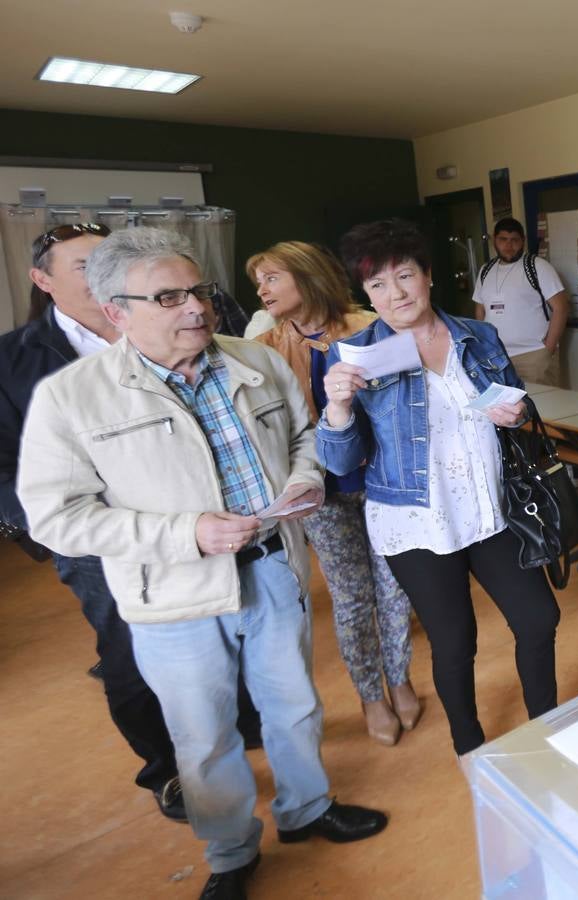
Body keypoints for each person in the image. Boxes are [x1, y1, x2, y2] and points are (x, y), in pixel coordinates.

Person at [17, 227, 387, 900]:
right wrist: (186, 533)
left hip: (275, 568)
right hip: (174, 594)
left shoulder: (259, 360)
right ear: (116, 311)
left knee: (295, 707)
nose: (196, 308)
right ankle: (229, 853)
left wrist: (306, 480)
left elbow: (304, 437)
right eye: (168, 297)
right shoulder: (72, 398)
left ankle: (307, 807)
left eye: (199, 291)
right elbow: (56, 517)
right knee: (205, 735)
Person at [0, 222, 262, 824]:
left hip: (202, 518)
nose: (102, 276)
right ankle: (164, 767)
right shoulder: (16, 361)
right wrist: (36, 526)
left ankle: (241, 726)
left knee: (233, 621)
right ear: (43, 281)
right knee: (128, 654)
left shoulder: (177, 325)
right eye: (83, 268)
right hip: (102, 541)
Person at [318, 218, 562, 758]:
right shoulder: (353, 356)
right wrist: (336, 408)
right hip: (417, 521)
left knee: (538, 617)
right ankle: (469, 745)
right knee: (455, 642)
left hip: (491, 507)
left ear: (427, 276)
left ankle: (548, 727)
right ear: (365, 294)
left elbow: (517, 407)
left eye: (404, 276)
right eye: (377, 285)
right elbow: (341, 461)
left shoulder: (479, 335)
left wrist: (515, 413)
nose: (395, 293)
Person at [249, 240, 421, 746]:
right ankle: (370, 695)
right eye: (259, 281)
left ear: (307, 276)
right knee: (350, 598)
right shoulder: (264, 347)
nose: (261, 290)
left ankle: (401, 679)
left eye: (272, 278)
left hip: (383, 481)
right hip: (320, 493)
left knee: (394, 588)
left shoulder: (370, 325)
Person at [473, 217, 570, 388]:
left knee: (543, 409)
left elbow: (561, 308)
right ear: (495, 240)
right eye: (503, 239)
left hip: (533, 356)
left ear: (523, 241)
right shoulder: (485, 270)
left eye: (514, 240)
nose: (509, 246)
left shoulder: (537, 266)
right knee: (507, 412)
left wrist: (549, 348)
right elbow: (480, 308)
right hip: (497, 357)